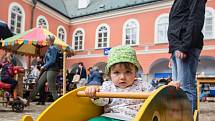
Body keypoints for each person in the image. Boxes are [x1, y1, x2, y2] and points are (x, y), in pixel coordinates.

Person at [84, 45, 154, 121]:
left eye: (128, 72)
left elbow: (156, 97)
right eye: (116, 72)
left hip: (133, 118)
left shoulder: (143, 86)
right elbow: (102, 102)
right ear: (109, 74)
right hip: (109, 116)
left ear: (135, 73)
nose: (122, 77)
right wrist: (94, 94)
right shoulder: (108, 85)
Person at [167, 0, 207, 112]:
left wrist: (185, 46)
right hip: (177, 46)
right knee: (176, 87)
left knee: (186, 87)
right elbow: (177, 22)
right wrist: (172, 52)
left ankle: (189, 118)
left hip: (185, 45)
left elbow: (195, 20)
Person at [27, 34, 59, 105]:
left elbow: (52, 60)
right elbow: (48, 60)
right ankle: (29, 100)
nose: (46, 41)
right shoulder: (50, 48)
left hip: (52, 69)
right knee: (39, 84)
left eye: (47, 40)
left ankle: (57, 103)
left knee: (51, 87)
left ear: (50, 41)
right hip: (48, 69)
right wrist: (44, 65)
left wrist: (44, 66)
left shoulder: (53, 48)